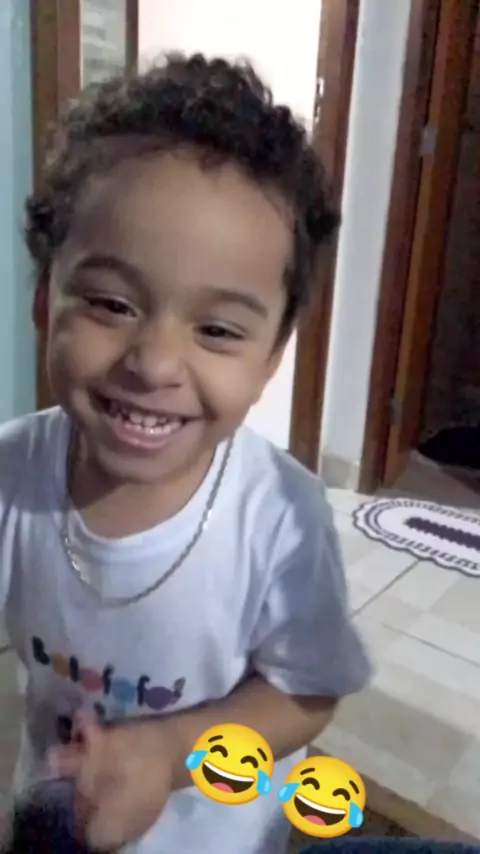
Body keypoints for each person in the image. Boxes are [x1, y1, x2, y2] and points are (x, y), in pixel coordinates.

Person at [1, 53, 370, 854]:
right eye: (111, 303)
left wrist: (170, 754)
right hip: (60, 820)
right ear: (44, 298)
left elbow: (307, 693)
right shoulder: (13, 475)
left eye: (218, 330)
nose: (155, 363)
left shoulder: (282, 518)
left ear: (271, 357)